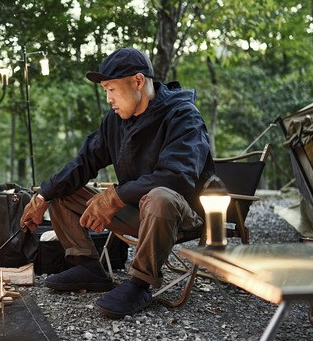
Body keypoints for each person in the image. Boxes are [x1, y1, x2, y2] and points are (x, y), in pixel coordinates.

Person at [20, 47, 216, 319]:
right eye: (105, 90)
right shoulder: (114, 121)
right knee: (63, 190)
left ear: (138, 81)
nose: (109, 98)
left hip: (180, 214)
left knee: (160, 196)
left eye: (112, 89)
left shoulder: (183, 115)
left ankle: (141, 283)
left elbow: (176, 177)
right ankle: (87, 265)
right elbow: (84, 162)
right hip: (135, 210)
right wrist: (43, 196)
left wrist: (114, 198)